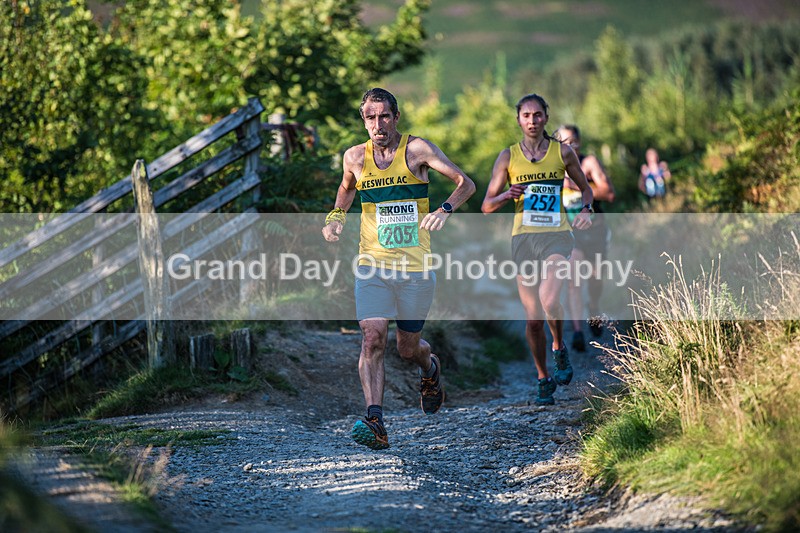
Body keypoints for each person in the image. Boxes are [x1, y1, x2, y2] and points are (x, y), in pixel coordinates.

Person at [322, 88, 476, 450]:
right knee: (373, 336)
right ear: (364, 121)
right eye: (371, 117)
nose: (378, 124)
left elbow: (465, 183)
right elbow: (346, 190)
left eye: (385, 116)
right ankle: (375, 419)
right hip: (372, 264)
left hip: (415, 270)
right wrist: (335, 217)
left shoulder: (417, 150)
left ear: (396, 117)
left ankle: (430, 368)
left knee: (407, 350)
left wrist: (444, 210)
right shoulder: (355, 157)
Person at [481, 94, 593, 406]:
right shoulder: (508, 157)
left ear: (546, 117)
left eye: (538, 115)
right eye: (526, 116)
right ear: (518, 120)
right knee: (532, 319)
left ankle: (558, 345)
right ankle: (542, 376)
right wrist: (506, 195)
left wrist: (586, 210)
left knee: (548, 299)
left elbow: (586, 189)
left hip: (556, 235)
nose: (532, 121)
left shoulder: (563, 152)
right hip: (523, 240)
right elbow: (486, 206)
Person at [556, 125, 616, 351]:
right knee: (573, 281)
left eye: (572, 141)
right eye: (562, 141)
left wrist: (578, 186)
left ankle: (593, 307)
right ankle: (578, 331)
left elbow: (609, 193)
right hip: (571, 233)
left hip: (595, 229)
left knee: (595, 279)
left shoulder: (589, 163)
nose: (568, 146)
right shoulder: (552, 168)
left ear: (579, 143)